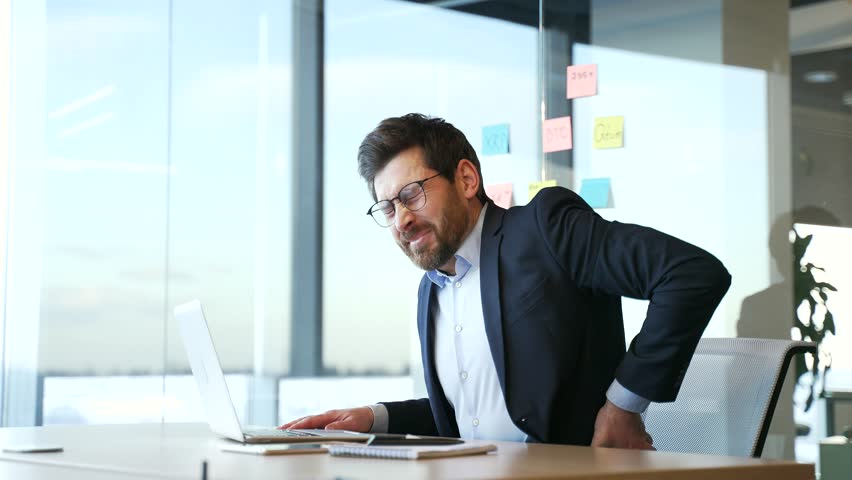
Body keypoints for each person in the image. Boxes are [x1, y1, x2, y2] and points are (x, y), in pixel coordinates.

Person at [281, 113, 731, 449]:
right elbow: (470, 418)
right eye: (387, 208)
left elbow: (691, 274)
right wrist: (373, 418)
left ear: (466, 178)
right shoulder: (433, 291)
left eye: (410, 195)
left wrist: (622, 407)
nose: (400, 219)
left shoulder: (544, 228)